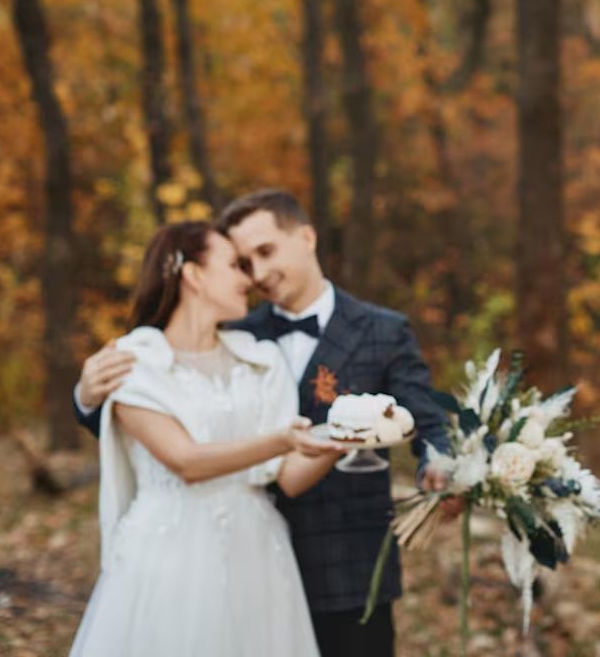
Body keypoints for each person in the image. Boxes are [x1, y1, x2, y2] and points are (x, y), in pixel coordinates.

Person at [74, 191, 453, 657]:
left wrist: (438, 465)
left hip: (344, 565)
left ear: (307, 238)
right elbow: (149, 434)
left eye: (266, 252)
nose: (256, 274)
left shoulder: (382, 330)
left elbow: (426, 416)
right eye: (242, 261)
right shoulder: (237, 334)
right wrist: (87, 398)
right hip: (223, 559)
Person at [69, 220, 347, 657]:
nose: (249, 279)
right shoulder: (135, 363)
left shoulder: (260, 360)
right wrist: (282, 440)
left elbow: (288, 477)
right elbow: (185, 462)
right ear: (193, 275)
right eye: (235, 265)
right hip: (169, 555)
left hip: (256, 554)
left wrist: (342, 438)